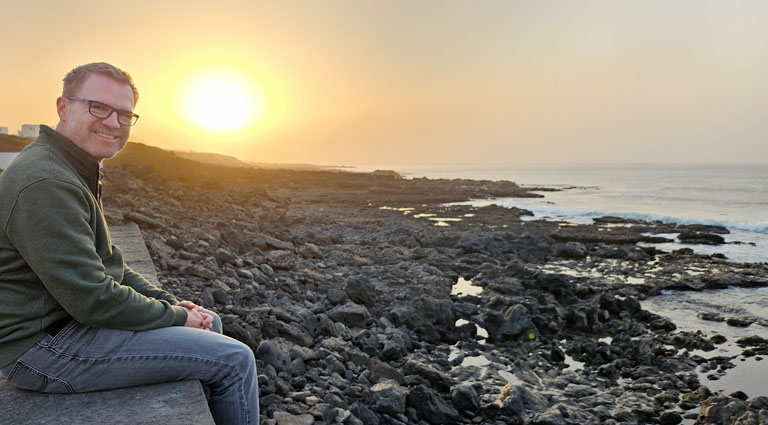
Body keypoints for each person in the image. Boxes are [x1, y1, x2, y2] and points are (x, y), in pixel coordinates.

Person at [0, 62, 259, 424]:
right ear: (63, 107)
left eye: (123, 114)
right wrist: (177, 316)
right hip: (42, 349)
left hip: (65, 323)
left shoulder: (71, 166)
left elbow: (111, 266)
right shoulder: (46, 181)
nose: (112, 122)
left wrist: (171, 304)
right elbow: (93, 299)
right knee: (235, 361)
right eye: (98, 107)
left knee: (209, 322)